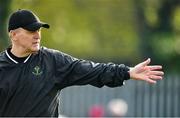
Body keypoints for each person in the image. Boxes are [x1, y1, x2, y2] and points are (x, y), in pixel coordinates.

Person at [0, 9, 164, 117]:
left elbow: (92, 70)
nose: (37, 35)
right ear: (13, 35)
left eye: (39, 30)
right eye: (31, 31)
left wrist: (127, 72)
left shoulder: (52, 61)